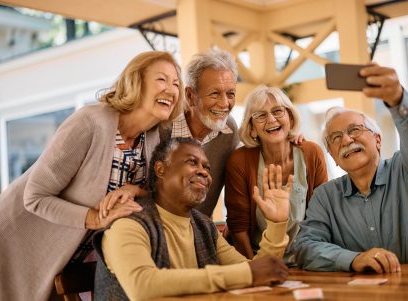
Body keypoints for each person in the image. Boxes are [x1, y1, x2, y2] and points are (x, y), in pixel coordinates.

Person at [0, 51, 185, 301]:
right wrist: (94, 218)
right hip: (17, 235)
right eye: (162, 80)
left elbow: (157, 195)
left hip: (69, 247)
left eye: (176, 83)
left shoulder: (151, 138)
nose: (171, 90)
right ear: (136, 82)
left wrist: (135, 190)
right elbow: (35, 196)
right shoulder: (89, 122)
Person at [93, 137, 292, 301]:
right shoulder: (128, 223)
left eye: (206, 167)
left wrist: (276, 224)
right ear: (161, 169)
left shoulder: (203, 225)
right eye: (192, 162)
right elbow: (142, 285)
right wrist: (246, 274)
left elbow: (256, 269)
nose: (203, 171)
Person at [293, 63, 408, 273]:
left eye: (354, 129)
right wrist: (353, 259)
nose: (346, 139)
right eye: (336, 138)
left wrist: (399, 100)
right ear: (334, 158)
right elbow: (304, 247)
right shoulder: (325, 197)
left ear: (378, 140)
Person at [225, 85, 328, 264]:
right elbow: (238, 226)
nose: (271, 119)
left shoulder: (311, 153)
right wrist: (254, 269)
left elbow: (323, 215)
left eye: (277, 111)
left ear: (290, 117)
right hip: (258, 258)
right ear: (252, 129)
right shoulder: (239, 161)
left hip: (306, 259)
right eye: (260, 115)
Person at [159, 48, 240, 217]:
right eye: (215, 94)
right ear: (190, 95)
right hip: (155, 228)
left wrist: (289, 139)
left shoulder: (229, 129)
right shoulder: (162, 127)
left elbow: (252, 152)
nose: (225, 104)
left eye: (230, 94)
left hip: (199, 231)